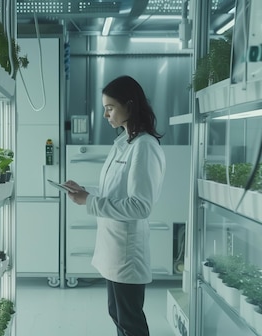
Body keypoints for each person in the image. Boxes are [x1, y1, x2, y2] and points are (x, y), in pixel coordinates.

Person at [64, 75, 166, 336]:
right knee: (118, 316)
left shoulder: (144, 146)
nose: (106, 114)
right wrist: (86, 192)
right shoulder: (124, 142)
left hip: (127, 254)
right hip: (113, 249)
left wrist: (91, 201)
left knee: (130, 322)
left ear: (129, 106)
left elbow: (140, 206)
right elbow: (114, 192)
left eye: (110, 108)